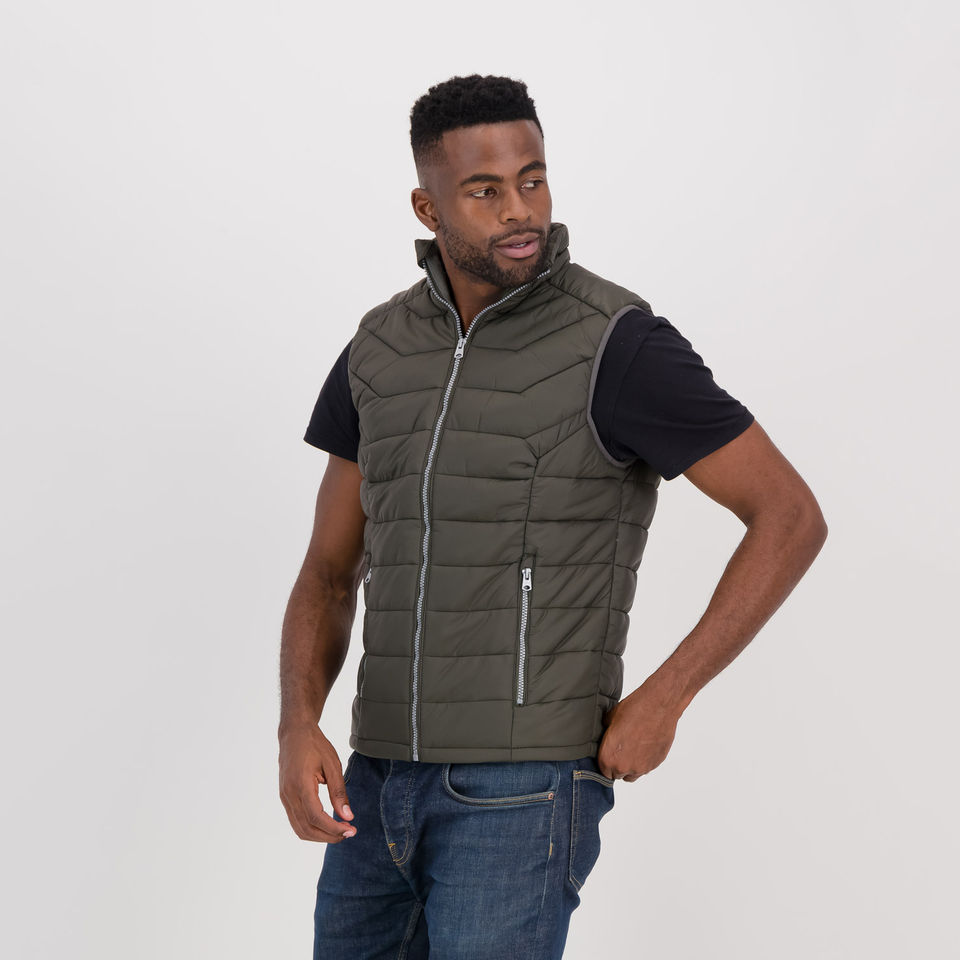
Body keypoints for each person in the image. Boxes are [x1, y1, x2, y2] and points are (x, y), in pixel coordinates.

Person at [278, 74, 827, 960]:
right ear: (427, 207)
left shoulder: (618, 342)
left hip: (524, 792)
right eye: (484, 190)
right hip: (374, 786)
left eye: (531, 179)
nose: (519, 210)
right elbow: (329, 571)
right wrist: (297, 724)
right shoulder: (377, 348)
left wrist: (666, 697)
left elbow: (789, 516)